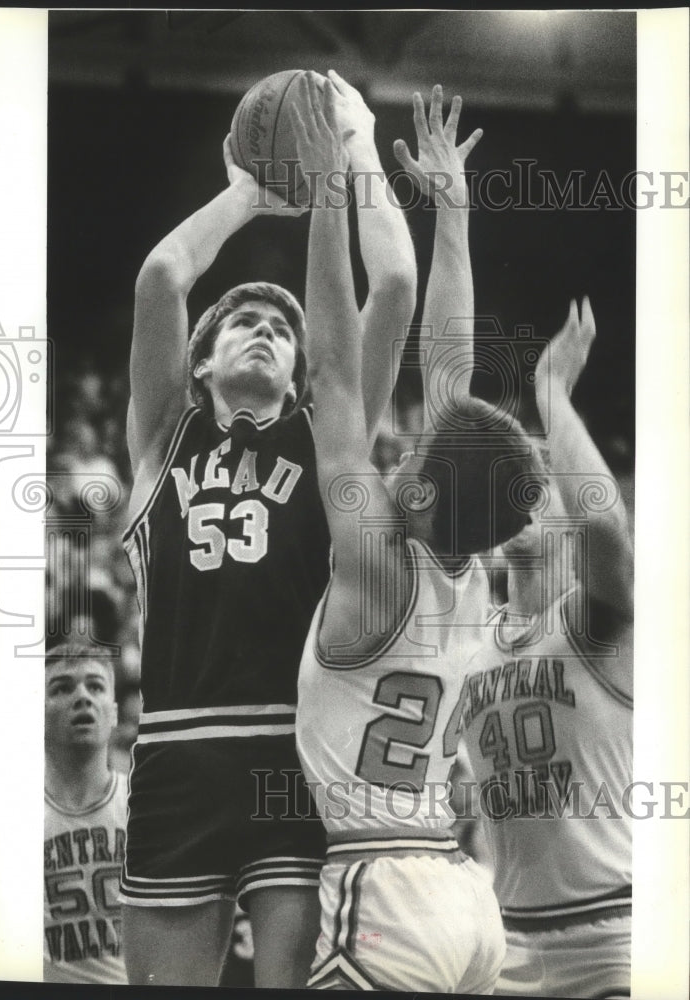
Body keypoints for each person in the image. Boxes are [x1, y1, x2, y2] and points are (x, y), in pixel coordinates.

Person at [119, 69, 416, 988]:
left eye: (280, 329)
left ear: (298, 373)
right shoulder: (161, 441)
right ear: (199, 363)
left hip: (293, 751)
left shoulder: (322, 434)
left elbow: (395, 286)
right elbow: (164, 274)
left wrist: (360, 148)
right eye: (241, 320)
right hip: (176, 751)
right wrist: (246, 194)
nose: (262, 330)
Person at [293, 80, 545, 993]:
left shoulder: (374, 563)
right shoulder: (473, 570)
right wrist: (454, 213)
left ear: (429, 496)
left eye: (411, 462)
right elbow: (450, 375)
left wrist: (330, 191)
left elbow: (329, 368)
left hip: (382, 887)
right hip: (461, 897)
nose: (395, 453)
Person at [460, 298, 634, 999]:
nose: (522, 497)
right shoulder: (470, 642)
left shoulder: (594, 622)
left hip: (608, 932)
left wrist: (551, 391)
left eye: (538, 486)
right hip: (502, 937)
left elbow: (602, 525)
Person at [44, 644, 127, 984]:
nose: (82, 697)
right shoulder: (9, 821)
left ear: (114, 713)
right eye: (62, 688)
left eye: (95, 686)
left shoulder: (144, 804)